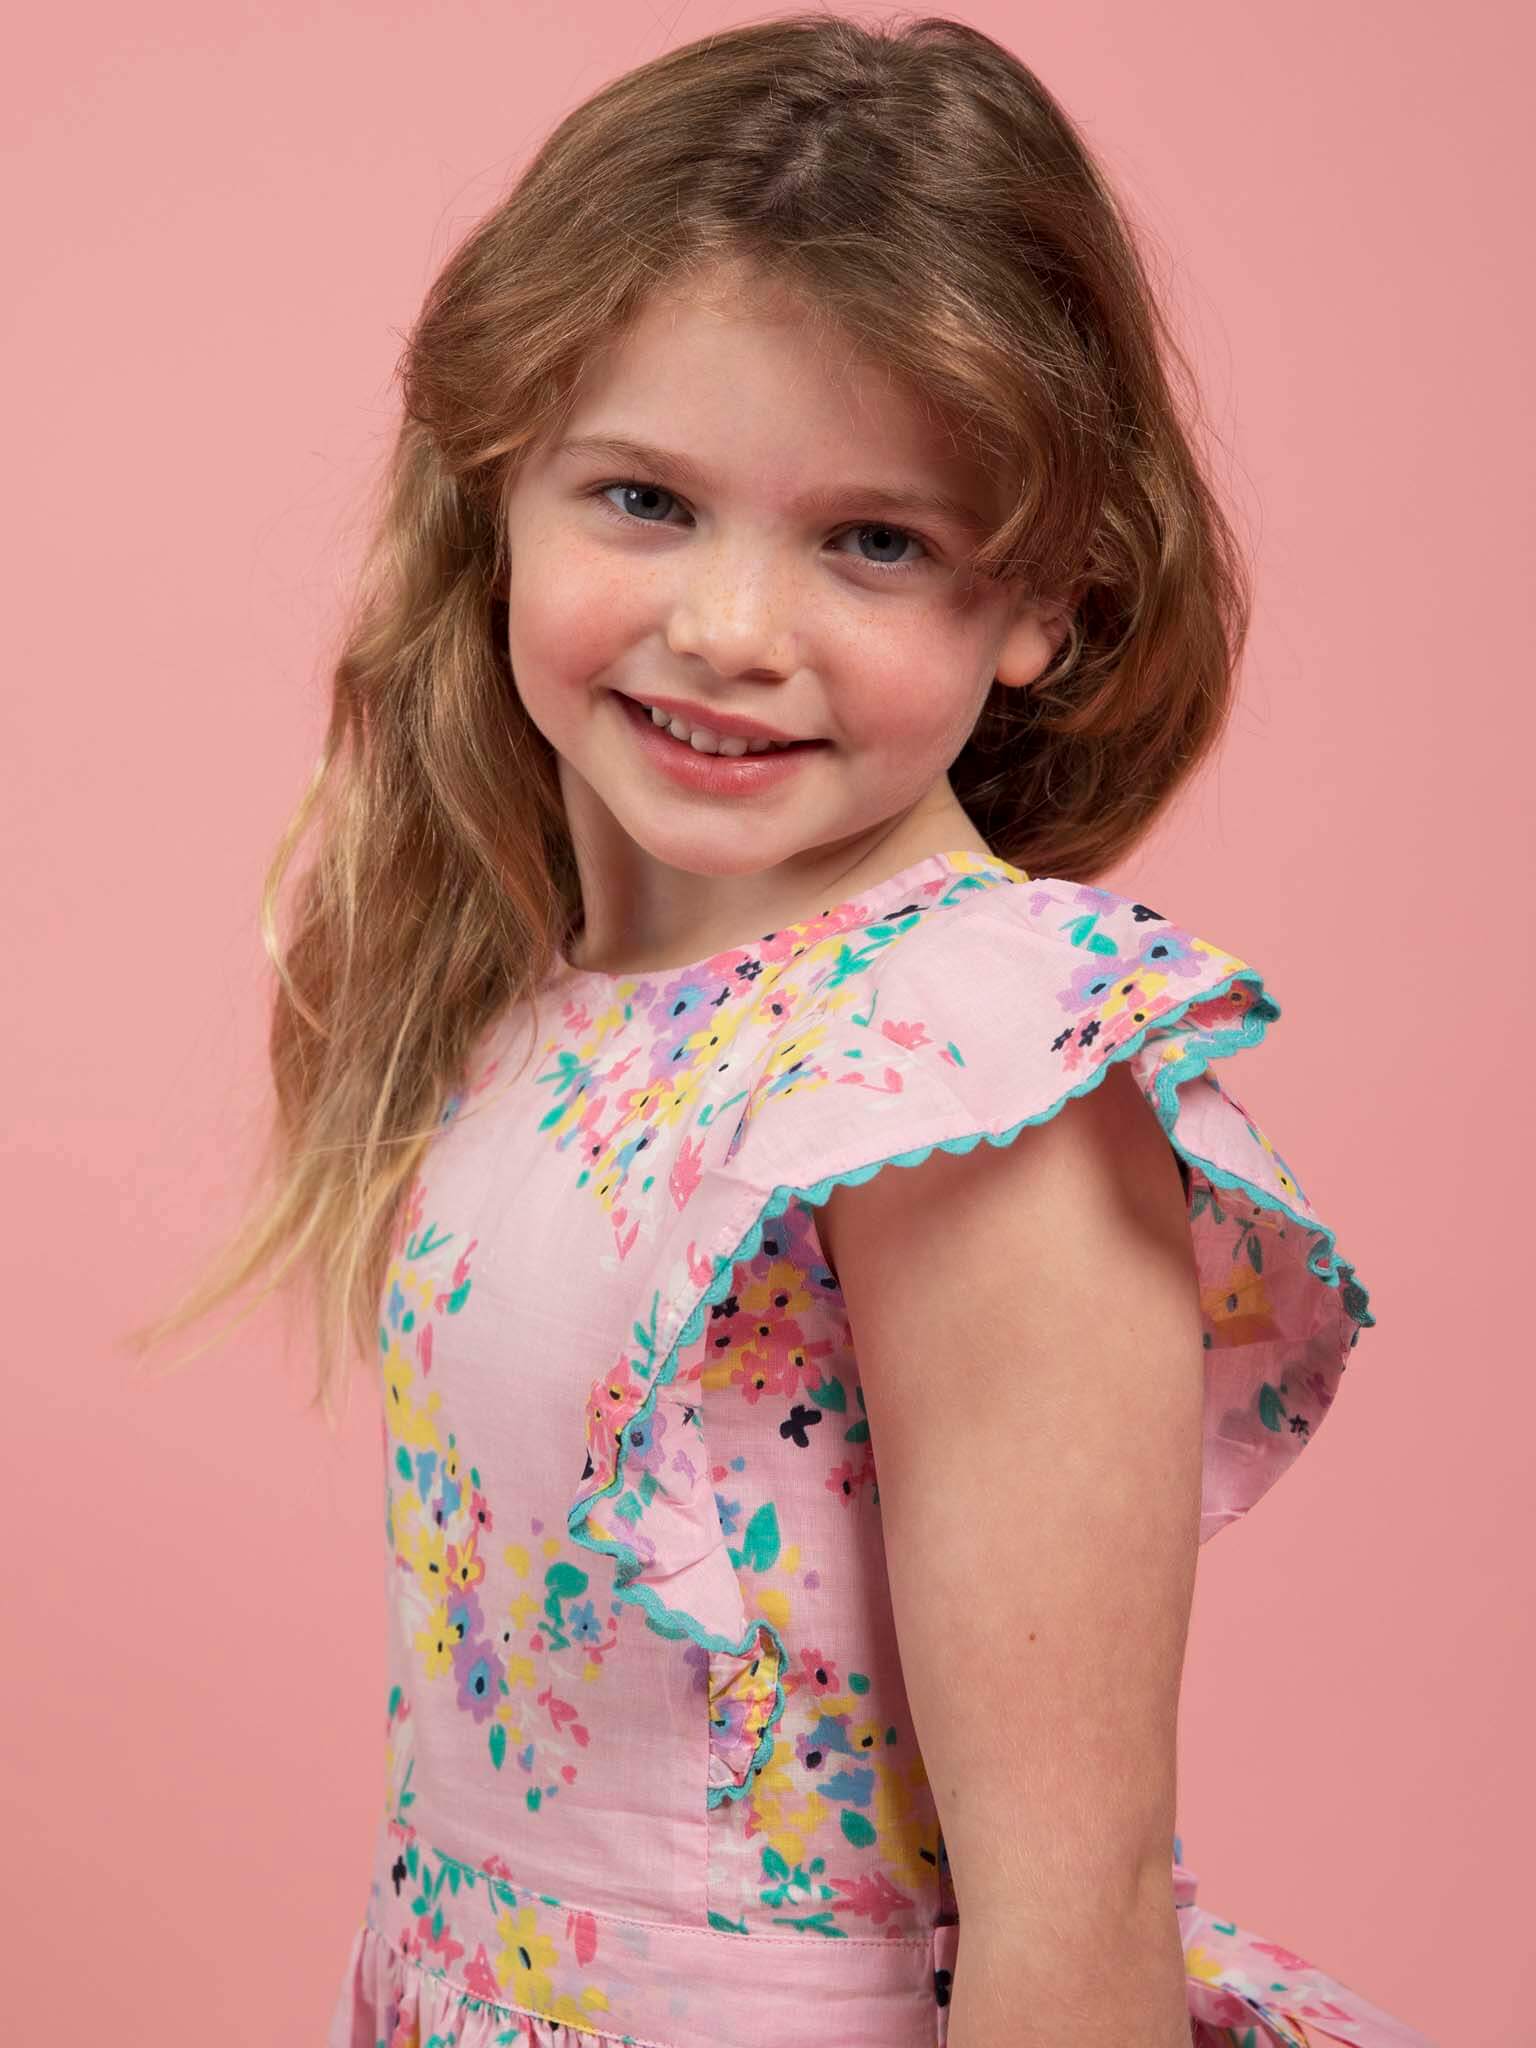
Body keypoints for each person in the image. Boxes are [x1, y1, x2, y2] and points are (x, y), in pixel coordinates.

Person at [133, 14, 1433, 2047]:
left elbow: (1065, 1902)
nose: (734, 626)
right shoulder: (548, 1015)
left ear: (1046, 602)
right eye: (644, 497)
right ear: (498, 492)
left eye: (874, 539)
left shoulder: (965, 1072)